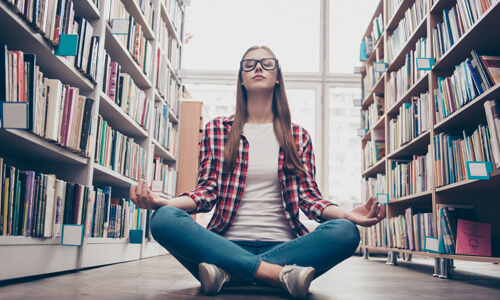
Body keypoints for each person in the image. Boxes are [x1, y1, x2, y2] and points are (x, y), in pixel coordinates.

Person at [130, 45, 385, 299]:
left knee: (346, 232)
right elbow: (206, 192)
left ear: (277, 77)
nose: (259, 68)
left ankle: (227, 273)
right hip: (224, 244)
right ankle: (278, 275)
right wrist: (164, 202)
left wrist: (347, 214)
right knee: (163, 219)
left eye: (267, 63)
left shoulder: (298, 136)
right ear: (241, 79)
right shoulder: (217, 130)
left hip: (285, 246)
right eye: (249, 64)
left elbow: (309, 199)